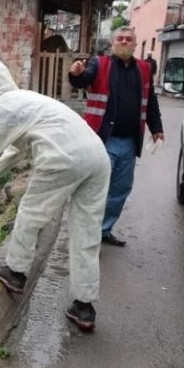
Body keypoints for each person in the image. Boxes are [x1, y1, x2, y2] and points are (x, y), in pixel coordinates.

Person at [0, 59, 110, 331]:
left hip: (64, 157)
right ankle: (84, 305)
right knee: (87, 232)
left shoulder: (3, 106)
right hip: (97, 157)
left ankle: (16, 272)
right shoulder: (26, 99)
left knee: (31, 214)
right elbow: (17, 146)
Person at [68, 27, 164, 247]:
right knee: (97, 188)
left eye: (128, 39)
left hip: (129, 142)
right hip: (102, 139)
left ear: (135, 44)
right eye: (119, 39)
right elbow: (82, 80)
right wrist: (76, 74)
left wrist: (156, 127)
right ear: (112, 44)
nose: (124, 41)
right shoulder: (99, 63)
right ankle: (87, 231)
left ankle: (103, 230)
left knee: (120, 190)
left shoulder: (144, 69)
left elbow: (150, 101)